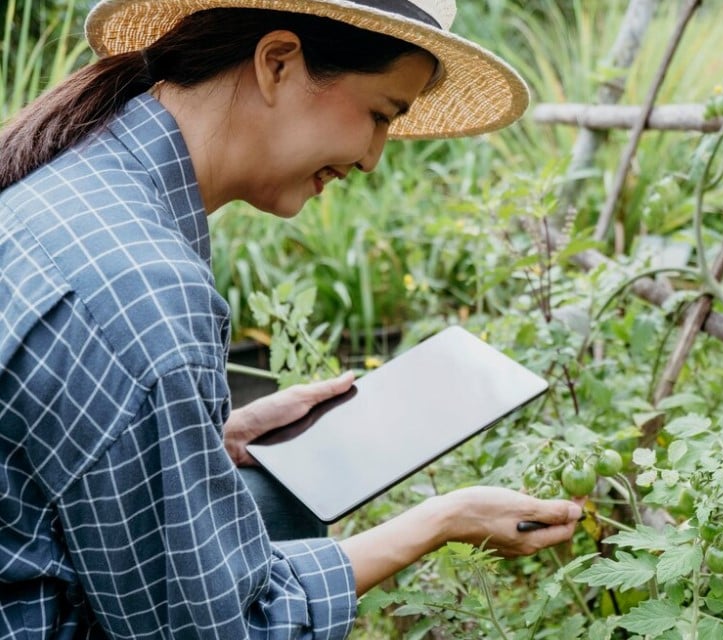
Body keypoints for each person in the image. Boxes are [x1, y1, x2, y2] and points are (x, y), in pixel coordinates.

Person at [0, 1, 583, 637]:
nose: (372, 159)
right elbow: (218, 630)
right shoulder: (145, 292)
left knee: (267, 494)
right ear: (277, 63)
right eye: (380, 115)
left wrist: (210, 433)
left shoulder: (73, 181)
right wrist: (439, 522)